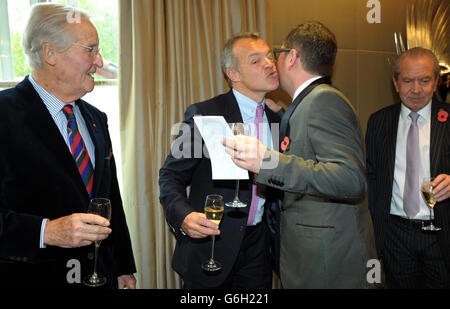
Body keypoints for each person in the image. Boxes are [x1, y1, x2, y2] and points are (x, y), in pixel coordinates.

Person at [223, 22, 377, 288]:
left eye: (276, 53)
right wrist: (284, 116)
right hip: (315, 257)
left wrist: (267, 162)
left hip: (328, 264)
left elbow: (351, 178)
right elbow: (312, 146)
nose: (272, 62)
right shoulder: (308, 103)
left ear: (291, 57)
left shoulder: (323, 101)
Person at [0, 3, 136, 288]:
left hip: (101, 276)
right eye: (90, 50)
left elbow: (111, 198)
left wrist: (123, 267)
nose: (99, 61)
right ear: (50, 54)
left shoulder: (96, 118)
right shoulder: (4, 115)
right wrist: (45, 231)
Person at [159, 32, 281, 288]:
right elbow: (171, 175)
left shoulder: (278, 118)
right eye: (256, 60)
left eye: (270, 56)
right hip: (211, 246)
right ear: (233, 74)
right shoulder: (205, 114)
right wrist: (183, 216)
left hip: (259, 248)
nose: (270, 63)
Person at [366, 47, 450, 288]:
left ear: (436, 83)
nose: (416, 90)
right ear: (395, 83)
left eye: (424, 81)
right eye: (407, 81)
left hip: (442, 234)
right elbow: (371, 177)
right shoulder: (378, 122)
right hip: (395, 236)